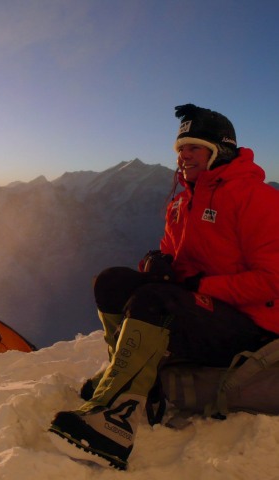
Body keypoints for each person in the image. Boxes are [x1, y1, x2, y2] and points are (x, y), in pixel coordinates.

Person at [48, 104, 279, 470]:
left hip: (252, 326)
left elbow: (272, 282)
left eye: (195, 147)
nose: (184, 156)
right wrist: (159, 266)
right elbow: (178, 261)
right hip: (206, 309)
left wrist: (197, 284)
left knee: (156, 301)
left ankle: (115, 420)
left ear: (221, 150)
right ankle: (131, 380)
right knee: (112, 282)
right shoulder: (183, 201)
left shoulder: (258, 199)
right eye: (180, 149)